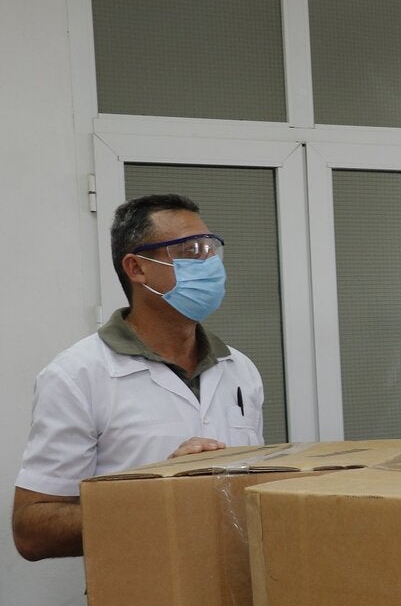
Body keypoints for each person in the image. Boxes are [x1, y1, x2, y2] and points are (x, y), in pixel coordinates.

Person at [13, 193, 264, 561]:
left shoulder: (239, 368)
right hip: (145, 597)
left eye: (211, 248)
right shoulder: (78, 374)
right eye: (191, 251)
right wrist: (159, 499)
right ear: (136, 268)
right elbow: (32, 531)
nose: (210, 263)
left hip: (243, 590)